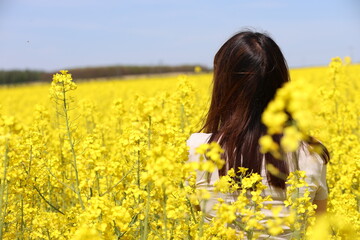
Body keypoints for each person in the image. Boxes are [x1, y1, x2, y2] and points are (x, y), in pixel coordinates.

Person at [186, 31, 329, 239]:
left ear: (223, 85)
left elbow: (195, 216)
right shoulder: (311, 152)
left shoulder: (197, 149)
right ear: (281, 85)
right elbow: (320, 229)